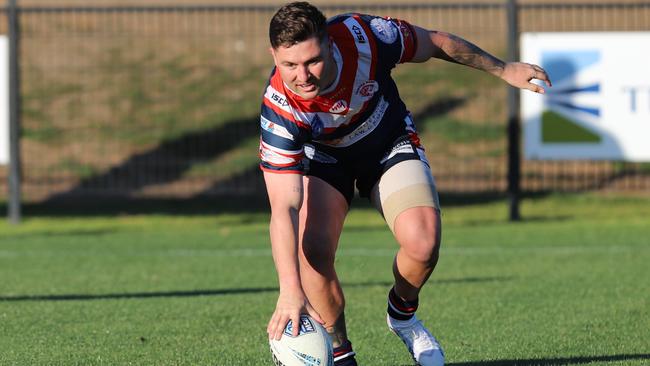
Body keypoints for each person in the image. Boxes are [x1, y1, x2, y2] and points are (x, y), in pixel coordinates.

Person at [259, 2, 551, 365]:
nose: (302, 76)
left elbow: (434, 42)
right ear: (274, 55)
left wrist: (503, 68)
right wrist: (289, 291)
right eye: (289, 65)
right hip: (326, 160)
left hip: (387, 142)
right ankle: (341, 352)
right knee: (313, 252)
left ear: (330, 44)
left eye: (312, 61)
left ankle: (403, 315)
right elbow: (283, 205)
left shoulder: (363, 37)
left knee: (424, 245)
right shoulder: (279, 108)